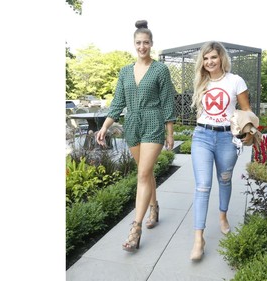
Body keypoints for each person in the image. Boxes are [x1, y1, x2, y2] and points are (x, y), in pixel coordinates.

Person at [96, 20, 176, 252]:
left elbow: (167, 101)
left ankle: (135, 229)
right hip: (132, 124)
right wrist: (105, 127)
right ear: (134, 44)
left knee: (142, 174)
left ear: (152, 44)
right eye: (138, 43)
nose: (142, 46)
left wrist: (169, 132)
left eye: (146, 43)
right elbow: (118, 102)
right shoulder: (124, 72)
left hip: (153, 122)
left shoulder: (160, 69)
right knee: (145, 171)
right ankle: (154, 207)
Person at [189, 41, 254, 261]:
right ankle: (199, 238)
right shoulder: (201, 81)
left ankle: (223, 216)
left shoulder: (235, 81)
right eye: (206, 58)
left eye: (213, 57)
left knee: (224, 179)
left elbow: (246, 110)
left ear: (221, 58)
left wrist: (249, 131)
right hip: (202, 137)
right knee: (202, 186)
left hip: (227, 137)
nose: (209, 62)